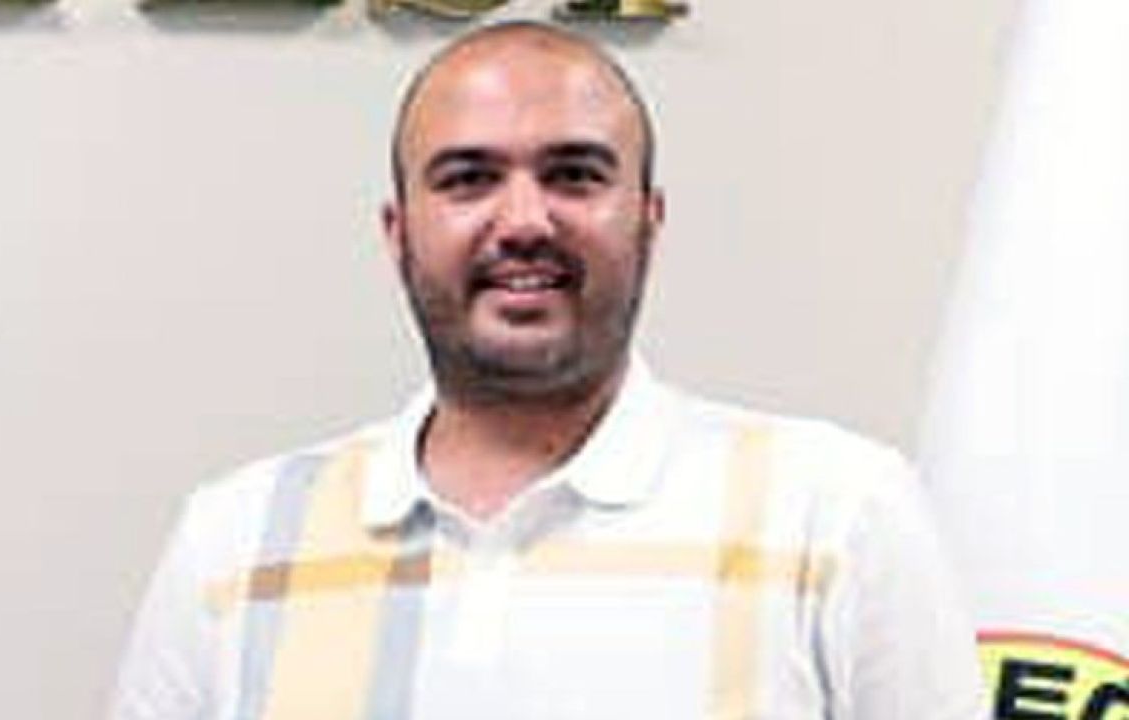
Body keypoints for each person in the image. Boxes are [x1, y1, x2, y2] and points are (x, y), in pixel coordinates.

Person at [111, 20, 985, 720]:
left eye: (574, 175)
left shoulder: (836, 514)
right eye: (468, 179)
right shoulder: (236, 541)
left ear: (648, 221)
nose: (524, 220)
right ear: (398, 233)